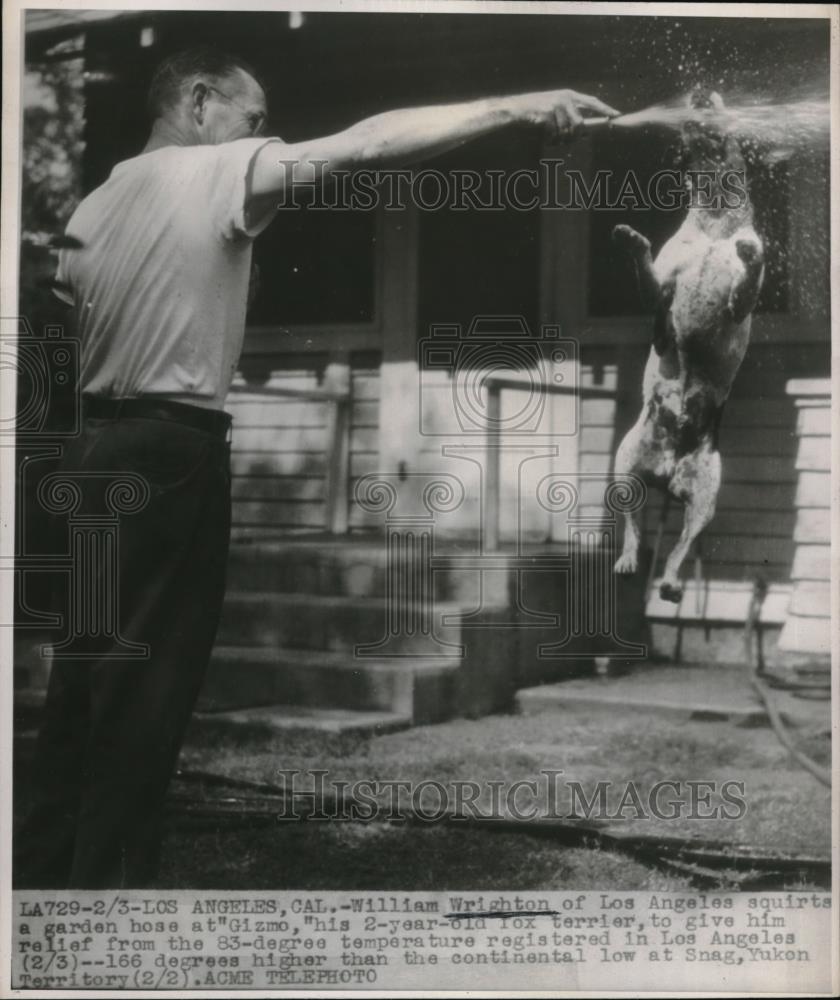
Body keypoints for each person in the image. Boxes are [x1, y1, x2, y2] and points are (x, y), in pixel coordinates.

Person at [15, 46, 618, 888]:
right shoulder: (215, 169)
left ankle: (38, 909)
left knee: (79, 705)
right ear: (198, 104)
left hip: (91, 459)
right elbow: (368, 144)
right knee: (143, 711)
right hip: (168, 459)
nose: (266, 137)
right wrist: (514, 105)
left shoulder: (96, 205)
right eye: (254, 119)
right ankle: (108, 927)